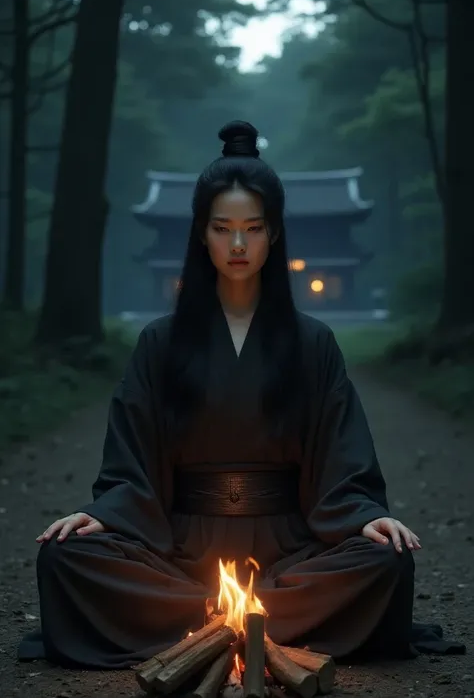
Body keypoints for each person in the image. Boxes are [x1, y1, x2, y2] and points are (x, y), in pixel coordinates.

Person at [19, 121, 464, 669]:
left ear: (273, 234)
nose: (236, 245)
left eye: (252, 228)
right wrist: (107, 513)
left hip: (289, 550)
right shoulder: (160, 342)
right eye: (222, 228)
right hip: (179, 553)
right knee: (66, 556)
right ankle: (239, 619)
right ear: (201, 234)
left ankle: (205, 624)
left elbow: (339, 460)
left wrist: (361, 515)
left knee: (386, 561)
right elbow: (130, 465)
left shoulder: (313, 343)